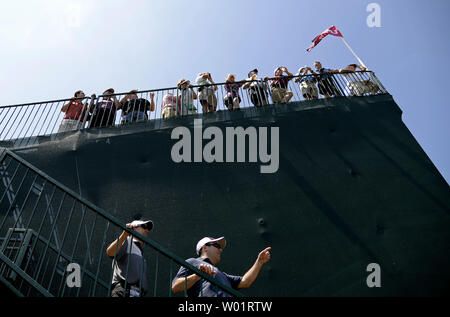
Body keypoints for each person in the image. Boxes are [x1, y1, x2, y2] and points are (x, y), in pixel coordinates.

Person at [171, 236, 271, 297]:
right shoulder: (193, 262)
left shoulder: (222, 275)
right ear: (205, 247)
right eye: (217, 246)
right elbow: (175, 287)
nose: (221, 250)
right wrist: (198, 275)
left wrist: (259, 262)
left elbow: (245, 282)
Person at [106, 219, 154, 297]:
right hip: (124, 290)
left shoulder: (140, 251)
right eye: (143, 227)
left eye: (148, 228)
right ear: (134, 228)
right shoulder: (127, 241)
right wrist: (125, 234)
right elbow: (110, 252)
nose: (146, 230)